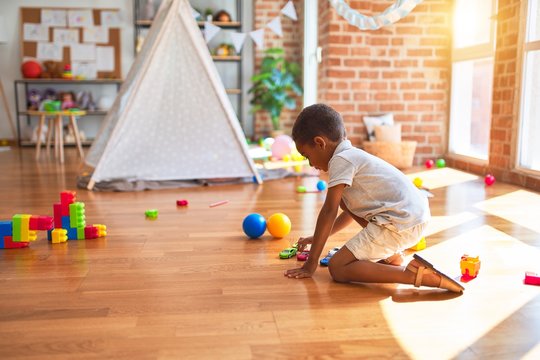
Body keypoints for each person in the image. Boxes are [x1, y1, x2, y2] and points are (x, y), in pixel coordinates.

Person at [284, 104, 464, 293]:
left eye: (306, 156)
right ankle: (392, 256)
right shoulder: (352, 156)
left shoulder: (341, 160)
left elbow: (329, 211)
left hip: (400, 221)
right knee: (345, 202)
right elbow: (349, 211)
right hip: (413, 217)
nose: (311, 164)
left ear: (320, 143)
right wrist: (316, 238)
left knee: (338, 268)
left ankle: (414, 275)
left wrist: (310, 263)